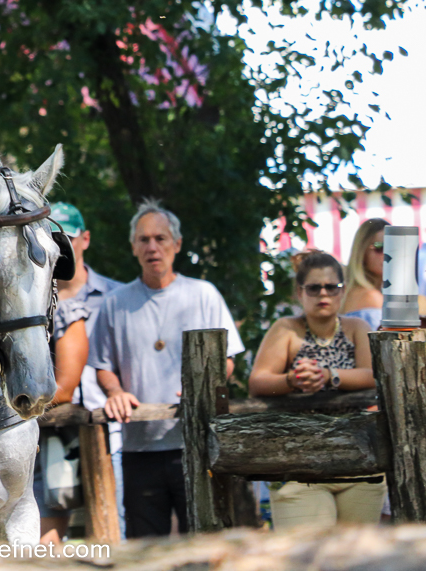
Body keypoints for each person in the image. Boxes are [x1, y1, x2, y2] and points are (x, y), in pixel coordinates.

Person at [91, 199, 244, 538]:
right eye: (143, 239)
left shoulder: (203, 294)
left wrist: (204, 385)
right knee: (146, 548)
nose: (152, 247)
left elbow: (228, 359)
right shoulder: (115, 303)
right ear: (133, 247)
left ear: (177, 244)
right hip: (139, 446)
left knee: (204, 541)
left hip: (198, 441)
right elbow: (102, 365)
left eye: (160, 238)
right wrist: (115, 391)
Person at [248, 251, 385, 528]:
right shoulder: (286, 329)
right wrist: (292, 380)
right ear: (300, 292)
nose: (323, 293)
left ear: (342, 291)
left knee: (357, 552)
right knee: (307, 552)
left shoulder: (357, 327)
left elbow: (373, 375)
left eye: (331, 287)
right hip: (299, 464)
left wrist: (328, 376)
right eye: (314, 287)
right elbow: (258, 382)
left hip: (358, 462)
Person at [34, 202, 122, 543]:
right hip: (49, 430)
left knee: (115, 529)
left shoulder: (117, 296)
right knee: (47, 537)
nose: (59, 248)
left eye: (66, 238)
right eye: (51, 239)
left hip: (112, 429)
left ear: (84, 239)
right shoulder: (29, 300)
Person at [341, 218, 389, 329]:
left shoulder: (350, 292)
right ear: (362, 251)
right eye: (379, 247)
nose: (388, 254)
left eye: (393, 248)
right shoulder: (371, 297)